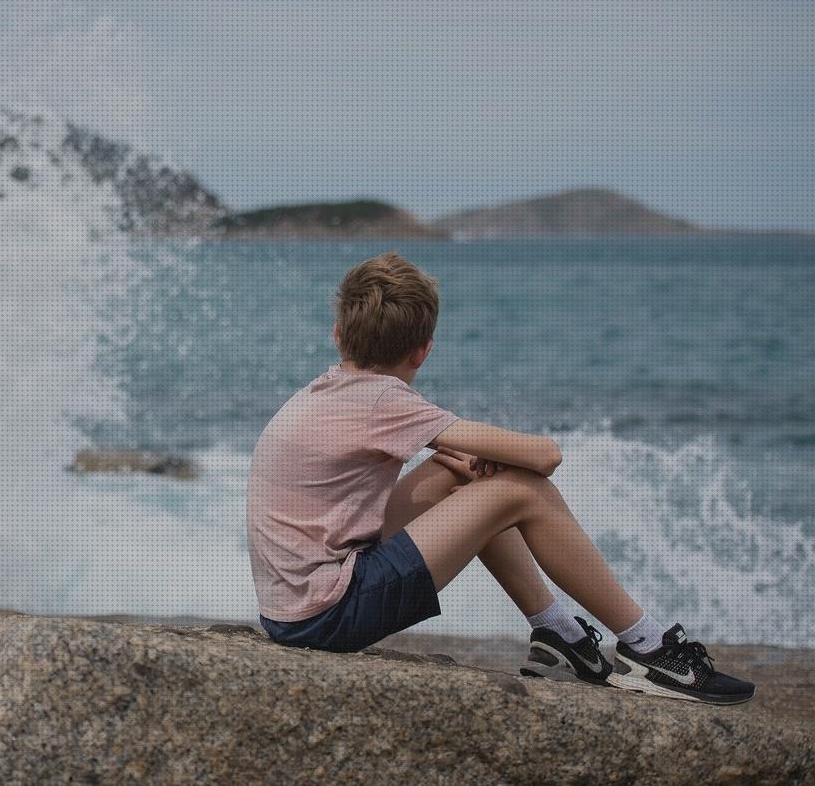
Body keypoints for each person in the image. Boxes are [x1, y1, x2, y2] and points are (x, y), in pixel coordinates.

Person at [245, 251, 754, 705]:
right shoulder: (385, 400)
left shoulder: (328, 388)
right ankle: (650, 648)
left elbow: (448, 451)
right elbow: (545, 455)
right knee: (520, 490)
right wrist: (496, 469)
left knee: (458, 473)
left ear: (338, 334)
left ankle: (556, 633)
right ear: (423, 350)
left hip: (293, 609)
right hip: (329, 613)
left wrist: (467, 465)